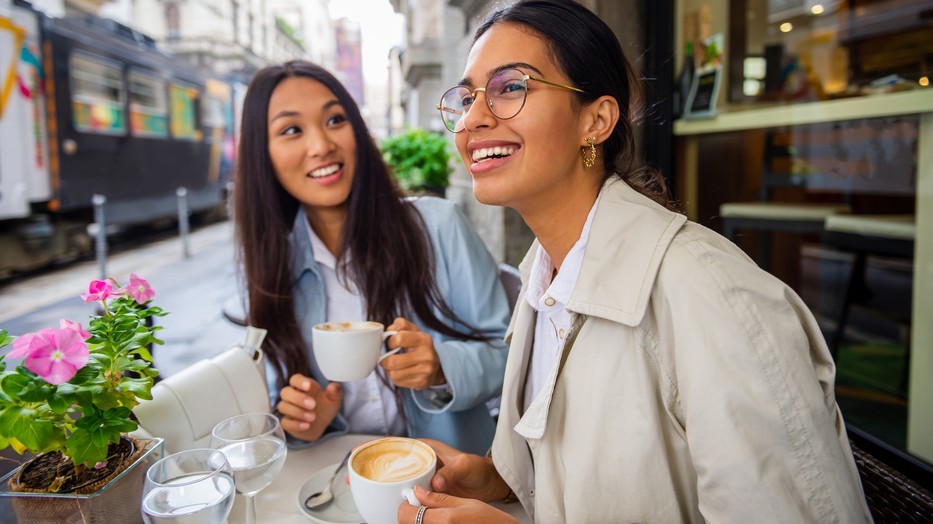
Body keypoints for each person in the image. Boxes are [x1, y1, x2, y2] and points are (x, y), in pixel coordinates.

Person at [399, 0, 873, 522]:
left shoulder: (714, 295)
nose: (473, 118)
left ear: (596, 120)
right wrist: (500, 481)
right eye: (466, 97)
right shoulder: (543, 282)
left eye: (511, 87)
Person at [233, 60, 510, 455]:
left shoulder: (438, 225)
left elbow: (510, 353)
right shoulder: (274, 268)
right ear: (264, 155)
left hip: (451, 479)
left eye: (335, 120)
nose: (321, 145)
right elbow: (276, 401)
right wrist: (308, 421)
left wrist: (440, 368)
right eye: (291, 130)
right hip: (336, 484)